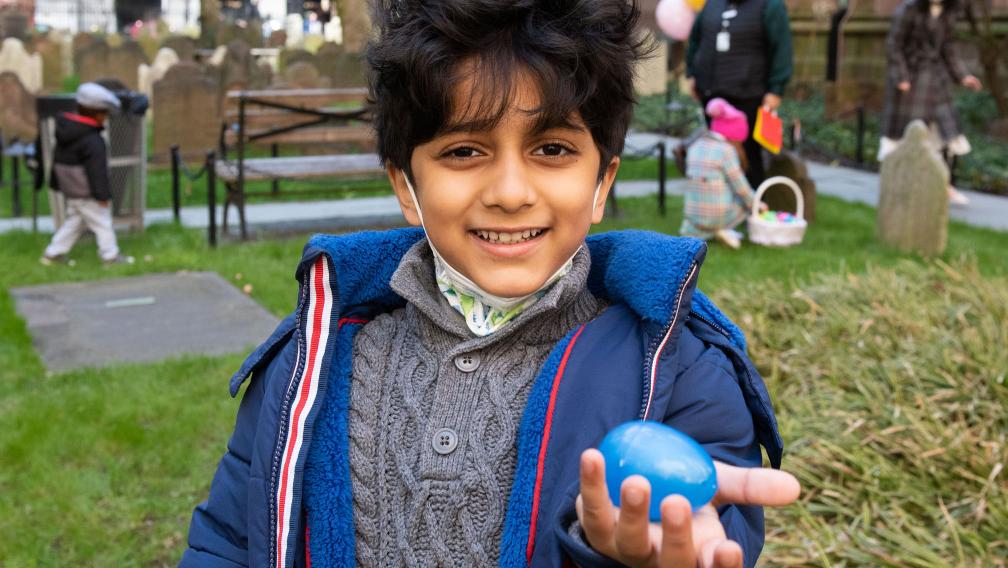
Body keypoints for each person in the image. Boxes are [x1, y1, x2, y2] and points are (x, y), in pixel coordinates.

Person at [180, 1, 800, 567]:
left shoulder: (674, 369)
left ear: (602, 183)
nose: (509, 193)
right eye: (464, 152)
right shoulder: (310, 361)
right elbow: (231, 542)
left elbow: (703, 525)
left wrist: (616, 550)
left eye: (553, 148)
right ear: (405, 185)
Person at [880, 0, 983, 205]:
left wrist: (963, 76)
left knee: (945, 134)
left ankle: (944, 186)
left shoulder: (948, 12)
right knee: (907, 135)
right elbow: (894, 45)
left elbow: (947, 47)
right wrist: (901, 76)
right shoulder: (908, 10)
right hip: (910, 81)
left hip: (936, 81)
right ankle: (902, 186)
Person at [685, 0, 794, 189]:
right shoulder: (712, 4)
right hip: (712, 96)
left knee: (748, 159)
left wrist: (776, 89)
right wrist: (692, 73)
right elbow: (696, 38)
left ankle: (754, 209)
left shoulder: (771, 6)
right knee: (717, 157)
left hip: (749, 97)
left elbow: (782, 48)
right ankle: (719, 209)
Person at [40, 82, 133, 266]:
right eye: (105, 113)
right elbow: (97, 171)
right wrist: (102, 195)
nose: (106, 117)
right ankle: (110, 256)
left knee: (74, 222)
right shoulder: (92, 140)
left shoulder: (65, 131)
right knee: (102, 222)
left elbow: (58, 160)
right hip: (87, 191)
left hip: (72, 189)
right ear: (97, 113)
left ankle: (53, 253)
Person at [682, 98, 765, 249]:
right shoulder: (726, 151)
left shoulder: (695, 146)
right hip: (717, 216)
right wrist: (758, 204)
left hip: (693, 217)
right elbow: (741, 188)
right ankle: (721, 229)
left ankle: (701, 232)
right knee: (743, 201)